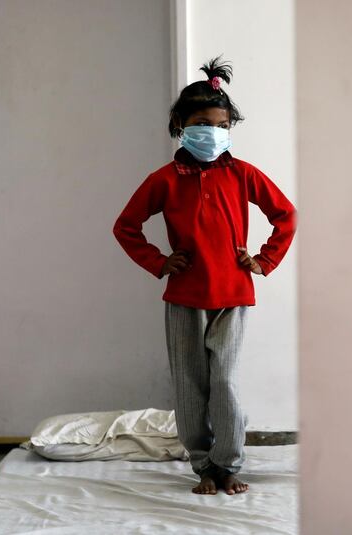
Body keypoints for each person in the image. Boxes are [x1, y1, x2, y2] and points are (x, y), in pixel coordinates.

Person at [113, 57, 296, 495]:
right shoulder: (165, 179)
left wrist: (264, 260)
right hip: (183, 298)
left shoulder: (242, 174)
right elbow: (126, 226)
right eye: (201, 122)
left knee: (225, 381)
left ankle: (228, 463)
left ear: (230, 126)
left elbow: (285, 215)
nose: (211, 132)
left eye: (220, 124)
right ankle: (202, 465)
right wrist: (159, 262)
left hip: (233, 294)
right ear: (180, 124)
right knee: (190, 386)